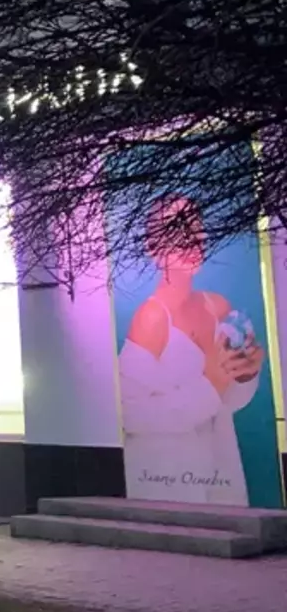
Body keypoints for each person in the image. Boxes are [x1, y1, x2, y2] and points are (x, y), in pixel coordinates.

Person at [120, 194, 265, 505]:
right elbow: (131, 416)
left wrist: (245, 374)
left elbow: (228, 402)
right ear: (153, 248)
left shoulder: (217, 307)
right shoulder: (151, 318)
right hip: (168, 482)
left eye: (196, 226)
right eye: (176, 228)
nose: (191, 238)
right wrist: (209, 386)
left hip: (222, 474)